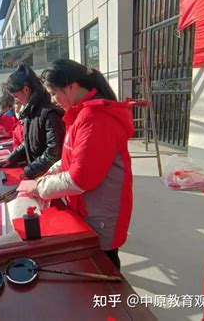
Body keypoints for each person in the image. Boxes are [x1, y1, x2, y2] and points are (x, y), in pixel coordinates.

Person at [31, 59, 134, 270]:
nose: (53, 100)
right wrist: (49, 173)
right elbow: (73, 156)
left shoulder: (95, 118)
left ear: (71, 86)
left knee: (105, 266)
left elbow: (80, 178)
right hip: (89, 205)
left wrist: (40, 188)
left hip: (101, 210)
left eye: (53, 93)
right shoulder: (82, 113)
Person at [0, 64, 65, 179]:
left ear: (26, 90)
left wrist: (29, 170)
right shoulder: (30, 111)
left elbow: (53, 154)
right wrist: (11, 158)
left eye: (16, 96)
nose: (15, 100)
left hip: (49, 178)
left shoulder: (49, 113)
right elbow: (28, 142)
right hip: (38, 173)